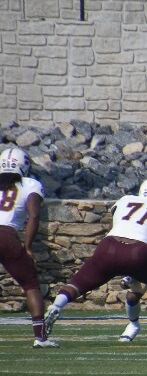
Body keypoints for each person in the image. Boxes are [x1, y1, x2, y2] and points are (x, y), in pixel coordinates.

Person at [44, 178, 147, 345]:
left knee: (79, 282)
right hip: (139, 250)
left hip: (108, 245)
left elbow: (120, 222)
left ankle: (57, 305)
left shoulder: (126, 200)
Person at [0, 147, 58, 348]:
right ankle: (40, 337)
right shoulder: (30, 184)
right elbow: (33, 215)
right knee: (30, 283)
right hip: (6, 234)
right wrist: (28, 246)